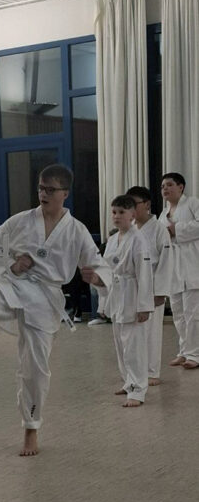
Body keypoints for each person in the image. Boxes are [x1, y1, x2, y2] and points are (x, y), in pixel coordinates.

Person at [0, 164, 112, 455]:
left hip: (45, 299)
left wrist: (97, 276)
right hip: (14, 284)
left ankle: (31, 427)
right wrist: (11, 265)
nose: (43, 193)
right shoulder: (20, 221)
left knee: (35, 368)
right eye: (40, 187)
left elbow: (96, 262)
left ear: (64, 193)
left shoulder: (76, 231)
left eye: (50, 189)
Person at [103, 195, 154, 407]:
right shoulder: (114, 239)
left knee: (133, 346)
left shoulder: (139, 240)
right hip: (117, 294)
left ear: (133, 214)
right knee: (121, 345)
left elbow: (144, 275)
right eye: (114, 212)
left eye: (121, 212)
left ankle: (137, 390)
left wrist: (144, 306)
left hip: (132, 295)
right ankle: (128, 381)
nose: (116, 216)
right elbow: (106, 270)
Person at [127, 185, 173, 385]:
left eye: (134, 205)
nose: (131, 210)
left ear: (146, 204)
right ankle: (135, 371)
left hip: (153, 284)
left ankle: (152, 371)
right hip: (132, 285)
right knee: (133, 332)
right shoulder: (129, 230)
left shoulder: (159, 229)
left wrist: (161, 291)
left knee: (151, 331)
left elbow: (166, 261)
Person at [158, 172, 199, 369]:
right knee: (178, 313)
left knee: (193, 314)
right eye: (163, 186)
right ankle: (183, 351)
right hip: (173, 268)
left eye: (169, 185)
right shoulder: (163, 213)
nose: (165, 189)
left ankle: (195, 354)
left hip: (192, 266)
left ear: (181, 187)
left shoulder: (192, 203)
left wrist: (177, 229)